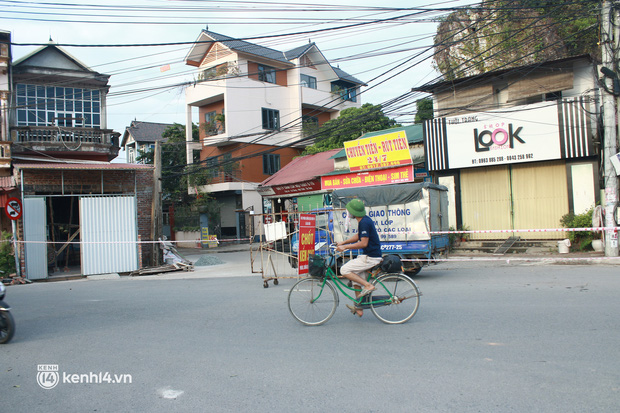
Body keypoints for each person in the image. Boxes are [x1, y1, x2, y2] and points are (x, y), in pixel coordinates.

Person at [336, 199, 382, 317]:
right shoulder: (364, 220)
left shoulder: (364, 222)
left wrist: (345, 247)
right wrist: (343, 242)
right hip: (368, 255)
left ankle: (368, 286)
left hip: (371, 257)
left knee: (344, 270)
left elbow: (363, 243)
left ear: (354, 212)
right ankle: (359, 307)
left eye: (349, 211)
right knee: (356, 279)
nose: (348, 213)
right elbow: (358, 236)